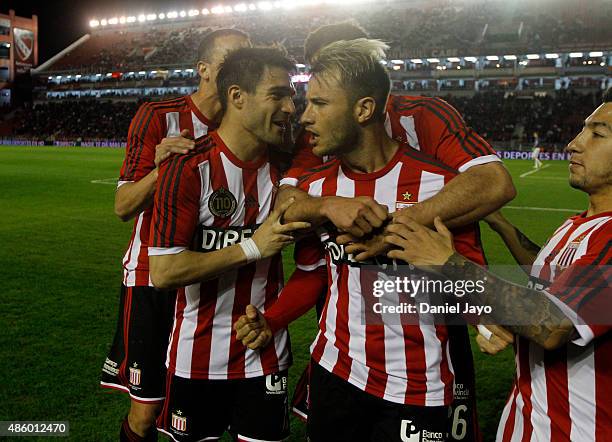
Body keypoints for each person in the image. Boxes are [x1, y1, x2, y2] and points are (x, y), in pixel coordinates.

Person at [235, 39, 489, 442]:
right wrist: (272, 319)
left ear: (364, 109)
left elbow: (476, 289)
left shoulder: (439, 188)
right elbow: (312, 273)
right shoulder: (318, 189)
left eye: (319, 104)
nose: (305, 118)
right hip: (333, 372)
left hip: (417, 388)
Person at [384, 87, 612, 441]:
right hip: (528, 421)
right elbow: (549, 278)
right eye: (582, 129)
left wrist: (447, 262)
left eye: (597, 134)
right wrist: (501, 224)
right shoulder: (579, 224)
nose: (574, 143)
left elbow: (552, 325)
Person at [148, 47, 310, 442]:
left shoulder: (289, 170)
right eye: (277, 95)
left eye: (292, 96)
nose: (291, 107)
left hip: (265, 352)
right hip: (195, 357)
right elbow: (164, 271)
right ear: (237, 96)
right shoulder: (188, 168)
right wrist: (252, 248)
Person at [99, 29, 250, 442]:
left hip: (213, 284)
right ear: (203, 69)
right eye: (230, 59)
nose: (241, 66)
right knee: (145, 412)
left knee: (203, 417)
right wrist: (161, 168)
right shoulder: (158, 115)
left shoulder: (245, 125)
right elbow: (123, 206)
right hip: (153, 279)